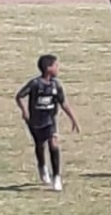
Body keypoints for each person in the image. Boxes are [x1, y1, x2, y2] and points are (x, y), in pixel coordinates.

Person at [17, 53, 80, 191]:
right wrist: (24, 111)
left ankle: (57, 177)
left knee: (53, 144)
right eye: (56, 66)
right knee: (40, 145)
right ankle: (42, 166)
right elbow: (19, 96)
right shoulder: (35, 84)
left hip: (50, 121)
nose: (58, 68)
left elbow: (63, 103)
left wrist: (73, 119)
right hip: (35, 121)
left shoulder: (56, 85)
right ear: (48, 68)